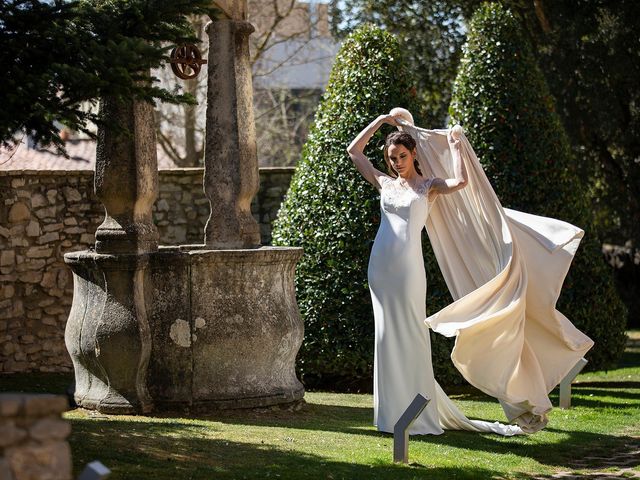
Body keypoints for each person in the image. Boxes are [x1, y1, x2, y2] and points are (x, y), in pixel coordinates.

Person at [347, 108, 593, 435]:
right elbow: (354, 151)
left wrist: (456, 144)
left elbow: (461, 182)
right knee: (385, 336)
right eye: (392, 158)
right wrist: (381, 121)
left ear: (413, 153)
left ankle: (418, 413)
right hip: (379, 268)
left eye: (402, 156)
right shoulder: (384, 183)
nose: (396, 163)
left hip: (408, 271)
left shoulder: (428, 186)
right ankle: (390, 414)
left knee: (411, 334)